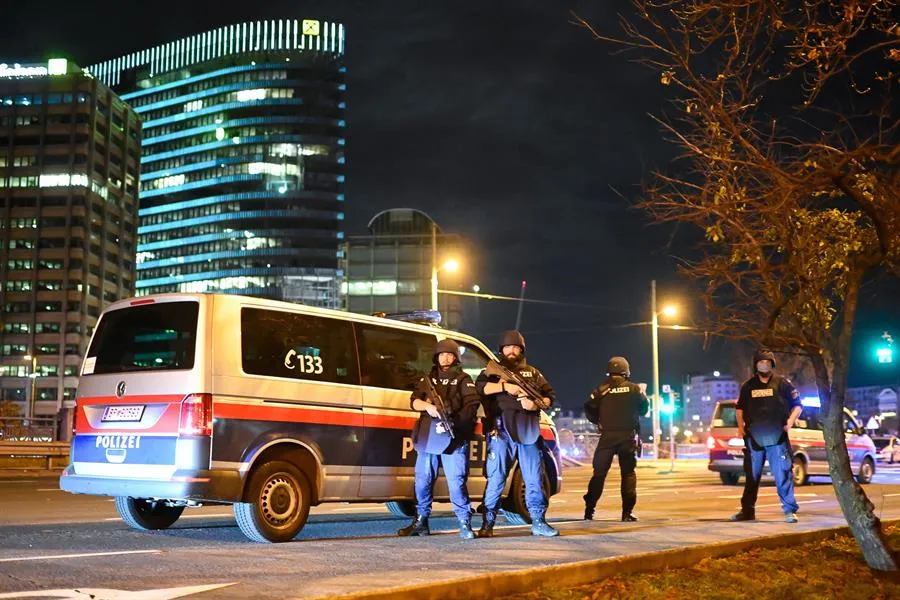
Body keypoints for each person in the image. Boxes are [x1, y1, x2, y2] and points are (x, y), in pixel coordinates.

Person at [475, 330, 559, 538]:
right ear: (501, 349)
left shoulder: (533, 373)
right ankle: (488, 523)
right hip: (501, 429)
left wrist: (536, 403)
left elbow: (550, 397)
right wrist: (504, 386)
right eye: (508, 347)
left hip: (528, 428)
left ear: (521, 349)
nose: (511, 351)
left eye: (516, 347)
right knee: (496, 478)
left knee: (533, 478)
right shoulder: (494, 372)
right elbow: (480, 388)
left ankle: (538, 521)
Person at [397, 338, 481, 539]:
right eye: (442, 354)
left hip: (454, 436)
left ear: (456, 357)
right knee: (422, 480)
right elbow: (414, 401)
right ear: (436, 356)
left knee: (456, 481)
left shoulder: (463, 379)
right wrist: (428, 407)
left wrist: (454, 422)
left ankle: (464, 522)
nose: (446, 357)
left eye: (450, 354)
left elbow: (471, 406)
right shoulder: (427, 379)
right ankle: (421, 521)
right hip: (428, 435)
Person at [731, 349, 802, 523]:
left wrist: (790, 423)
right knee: (752, 477)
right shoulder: (748, 386)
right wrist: (741, 428)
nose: (764, 365)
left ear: (772, 364)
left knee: (783, 474)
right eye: (761, 362)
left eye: (767, 362)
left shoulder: (782, 384)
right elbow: (739, 408)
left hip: (777, 438)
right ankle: (747, 511)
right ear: (756, 365)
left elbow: (798, 405)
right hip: (754, 439)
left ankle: (789, 511)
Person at [582, 356, 649, 522]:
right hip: (627, 437)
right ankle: (627, 513)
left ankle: (589, 510)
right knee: (628, 474)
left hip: (607, 437)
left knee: (599, 474)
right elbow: (644, 409)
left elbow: (588, 408)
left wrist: (599, 420)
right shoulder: (634, 389)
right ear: (626, 371)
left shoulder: (601, 390)